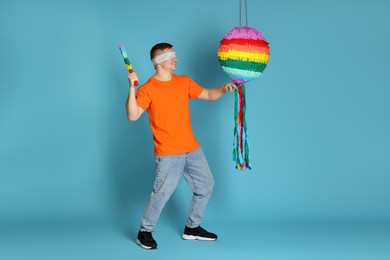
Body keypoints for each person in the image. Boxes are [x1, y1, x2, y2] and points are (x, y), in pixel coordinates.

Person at [126, 42, 236, 250]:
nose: (175, 58)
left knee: (206, 185)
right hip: (168, 152)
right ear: (158, 62)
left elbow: (208, 95)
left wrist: (222, 88)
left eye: (175, 54)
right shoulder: (148, 89)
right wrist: (132, 87)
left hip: (191, 147)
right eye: (170, 56)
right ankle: (144, 232)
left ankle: (192, 228)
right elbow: (132, 115)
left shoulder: (183, 81)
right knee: (162, 193)